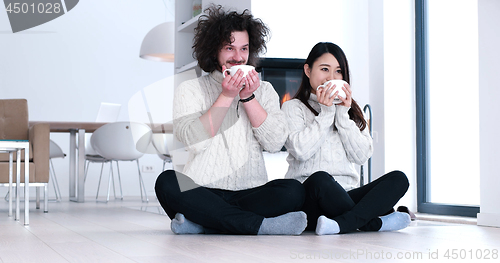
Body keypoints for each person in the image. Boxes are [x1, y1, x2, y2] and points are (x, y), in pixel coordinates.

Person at [154, 5, 307, 235]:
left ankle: (204, 221)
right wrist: (226, 96)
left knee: (294, 190)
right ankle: (257, 225)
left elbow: (275, 143)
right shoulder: (190, 89)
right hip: (203, 190)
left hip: (251, 190)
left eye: (244, 48)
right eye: (229, 48)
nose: (238, 57)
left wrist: (248, 97)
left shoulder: (264, 91)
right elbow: (195, 143)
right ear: (214, 50)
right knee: (167, 182)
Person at [281, 42, 411, 235]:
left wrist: (342, 115)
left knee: (399, 179)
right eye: (324, 69)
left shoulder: (350, 111)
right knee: (321, 179)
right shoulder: (293, 107)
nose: (332, 78)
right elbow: (301, 151)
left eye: (338, 71)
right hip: (310, 197)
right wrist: (326, 114)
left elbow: (362, 156)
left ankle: (342, 224)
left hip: (346, 195)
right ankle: (372, 223)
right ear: (308, 71)